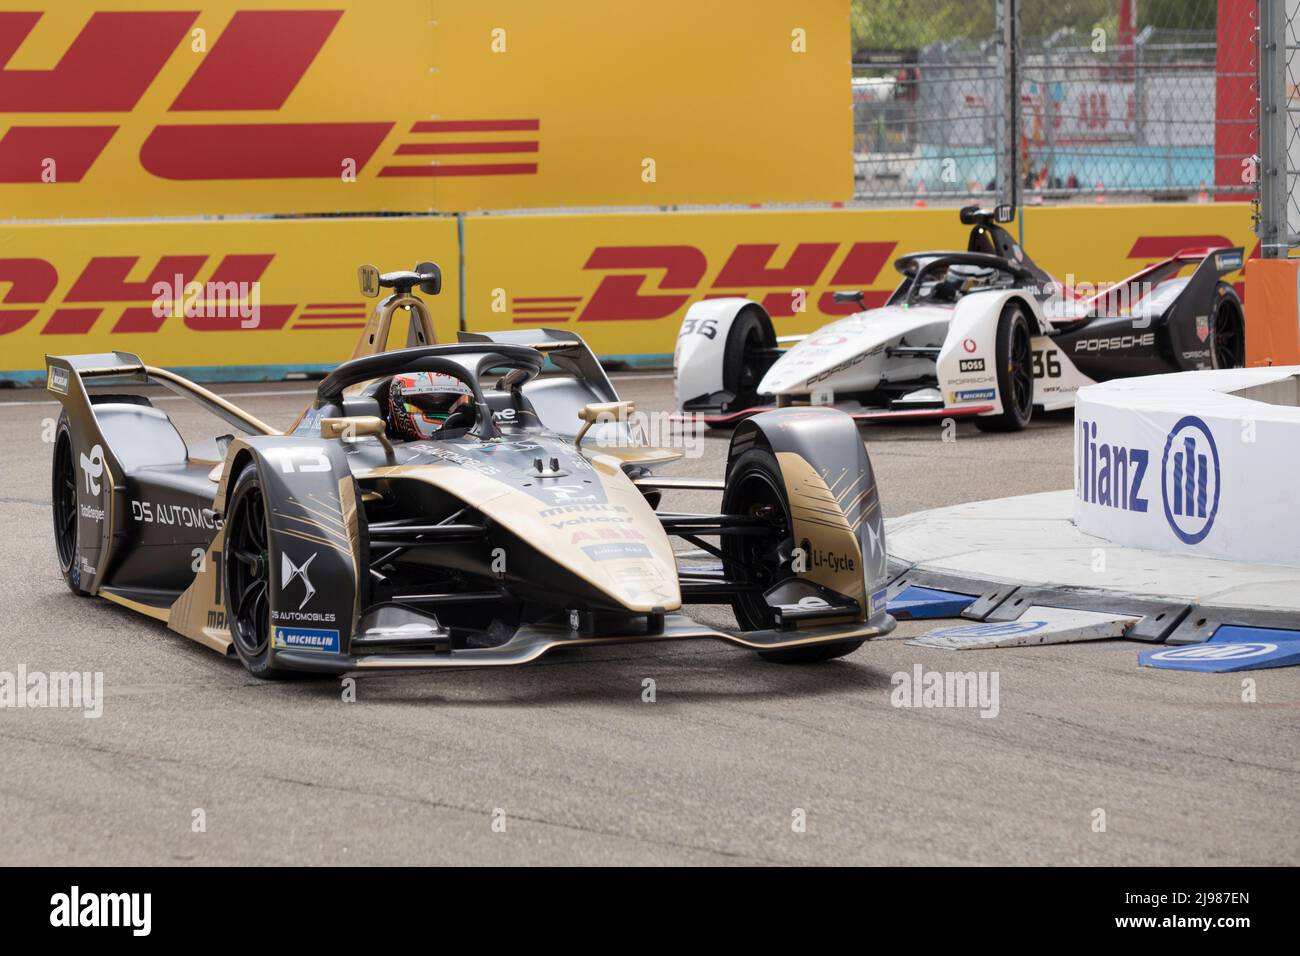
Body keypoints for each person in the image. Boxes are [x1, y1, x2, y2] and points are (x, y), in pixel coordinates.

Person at [386, 371, 474, 440]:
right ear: (398, 401)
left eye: (452, 401)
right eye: (424, 402)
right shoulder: (384, 446)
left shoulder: (476, 435)